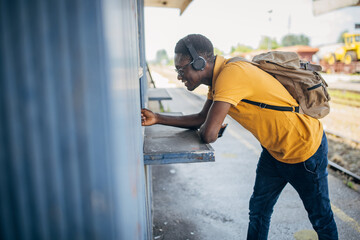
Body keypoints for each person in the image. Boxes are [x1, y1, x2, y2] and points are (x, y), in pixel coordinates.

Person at [141, 34, 338, 240]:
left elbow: (208, 134)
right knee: (258, 211)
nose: (180, 76)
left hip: (304, 149)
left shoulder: (231, 75)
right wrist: (157, 118)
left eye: (181, 70)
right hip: (274, 151)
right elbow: (201, 119)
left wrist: (210, 128)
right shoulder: (217, 81)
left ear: (200, 63)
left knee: (320, 218)